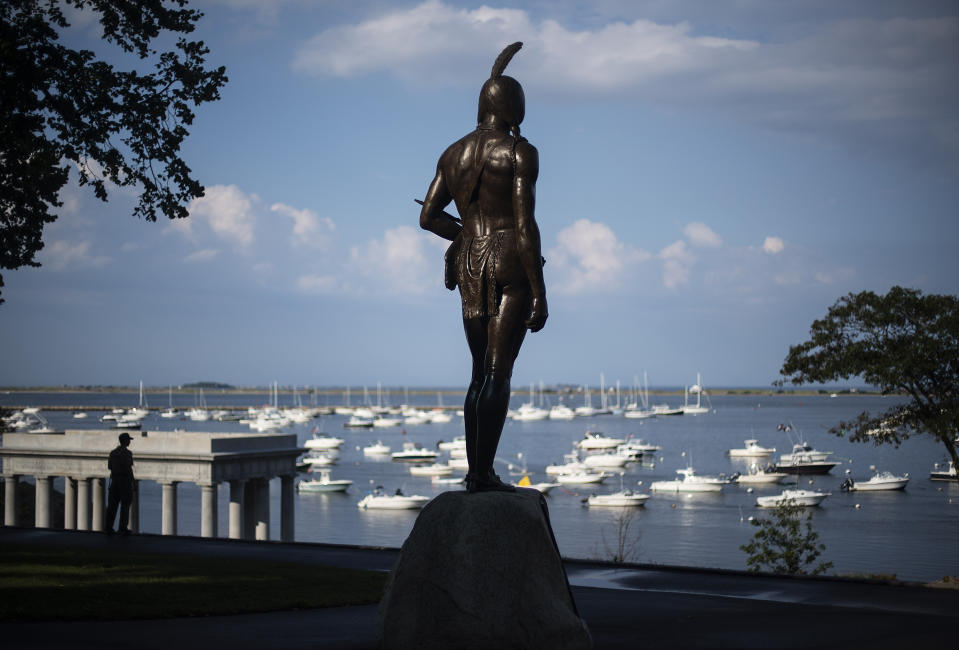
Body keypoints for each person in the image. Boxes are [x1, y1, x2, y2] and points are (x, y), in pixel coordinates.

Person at [419, 42, 547, 493]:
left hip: (470, 262)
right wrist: (541, 290)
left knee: (478, 372)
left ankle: (476, 473)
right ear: (513, 105)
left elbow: (428, 217)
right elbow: (525, 225)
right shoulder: (518, 151)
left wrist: (466, 235)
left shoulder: (452, 154)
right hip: (510, 257)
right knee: (498, 371)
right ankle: (483, 474)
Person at [106, 431, 135, 535]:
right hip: (124, 482)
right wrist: (133, 483)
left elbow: (109, 467)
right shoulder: (127, 453)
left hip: (114, 480)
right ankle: (122, 528)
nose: (130, 442)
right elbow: (129, 469)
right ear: (125, 441)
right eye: (129, 440)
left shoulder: (113, 453)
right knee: (125, 505)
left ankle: (108, 526)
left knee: (112, 505)